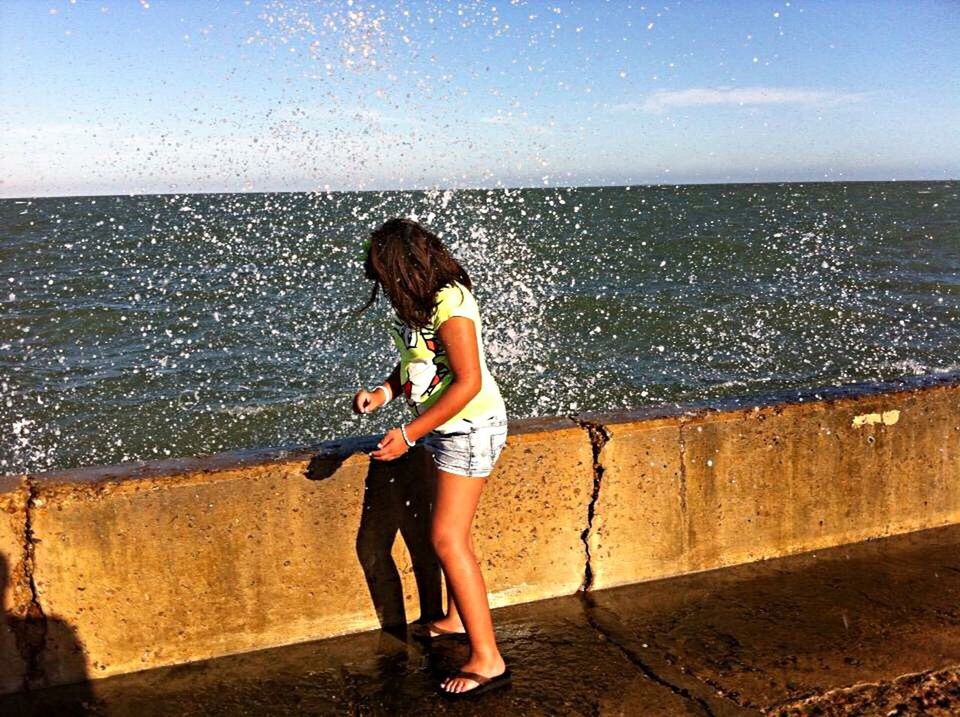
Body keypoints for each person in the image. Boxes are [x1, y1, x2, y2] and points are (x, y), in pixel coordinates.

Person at [353, 217, 511, 698]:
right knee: (447, 534)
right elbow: (418, 365)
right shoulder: (416, 306)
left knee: (446, 538)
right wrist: (384, 392)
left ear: (402, 267)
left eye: (382, 271)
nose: (378, 281)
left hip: (467, 429)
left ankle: (488, 658)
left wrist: (407, 432)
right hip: (442, 429)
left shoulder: (452, 303)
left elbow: (468, 382)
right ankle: (455, 618)